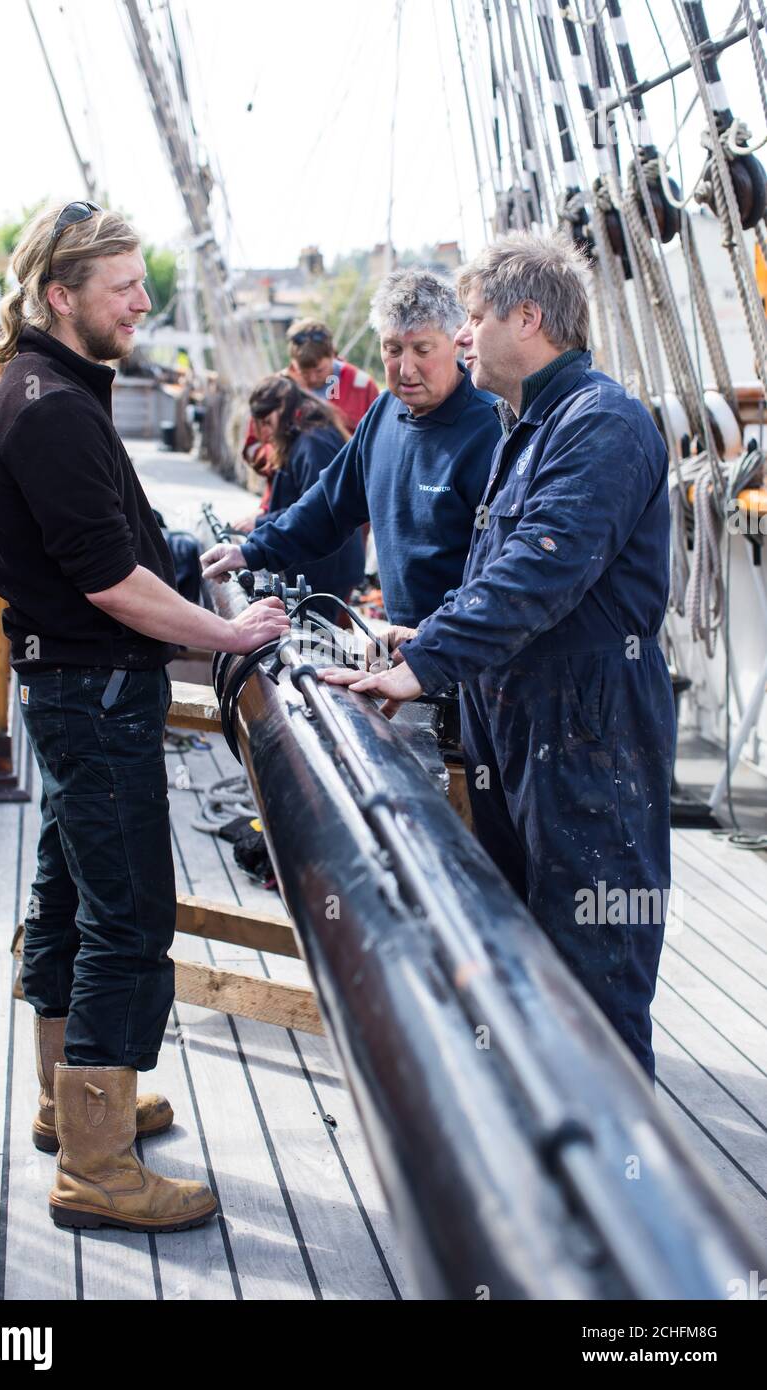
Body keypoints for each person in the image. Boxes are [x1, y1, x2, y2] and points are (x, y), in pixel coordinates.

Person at [0, 201, 289, 1234]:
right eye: (124, 287)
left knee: (68, 898)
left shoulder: (44, 386)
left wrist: (198, 560)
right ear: (60, 296)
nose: (143, 302)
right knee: (128, 917)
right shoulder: (52, 407)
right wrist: (228, 634)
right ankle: (99, 1168)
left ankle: (69, 1107)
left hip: (71, 692)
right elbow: (110, 581)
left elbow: (118, 543)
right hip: (94, 695)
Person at [321, 231, 674, 1083]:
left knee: (594, 976)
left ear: (529, 317)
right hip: (520, 730)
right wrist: (426, 632)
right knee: (524, 953)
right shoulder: (532, 426)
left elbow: (540, 570)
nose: (464, 334)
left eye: (473, 318)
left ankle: (615, 1192)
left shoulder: (602, 425)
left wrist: (423, 663)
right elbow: (497, 577)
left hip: (590, 739)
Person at [201, 268, 502, 629]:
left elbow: (499, 569)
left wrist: (437, 645)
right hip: (404, 642)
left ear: (457, 341)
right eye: (392, 350)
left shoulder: (491, 428)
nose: (405, 369)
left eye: (422, 349)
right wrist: (251, 551)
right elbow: (329, 505)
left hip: (464, 648)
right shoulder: (383, 412)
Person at [235, 318, 379, 532]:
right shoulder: (274, 391)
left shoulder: (361, 386)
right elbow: (252, 446)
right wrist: (281, 456)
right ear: (292, 362)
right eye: (304, 372)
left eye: (320, 371)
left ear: (333, 354)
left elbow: (377, 445)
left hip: (347, 506)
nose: (312, 378)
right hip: (286, 503)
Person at [245, 374, 365, 624]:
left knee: (314, 642)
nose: (265, 433)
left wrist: (259, 523)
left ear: (284, 410)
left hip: (325, 566)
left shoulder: (312, 443)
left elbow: (316, 509)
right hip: (325, 562)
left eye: (267, 422)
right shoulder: (308, 436)